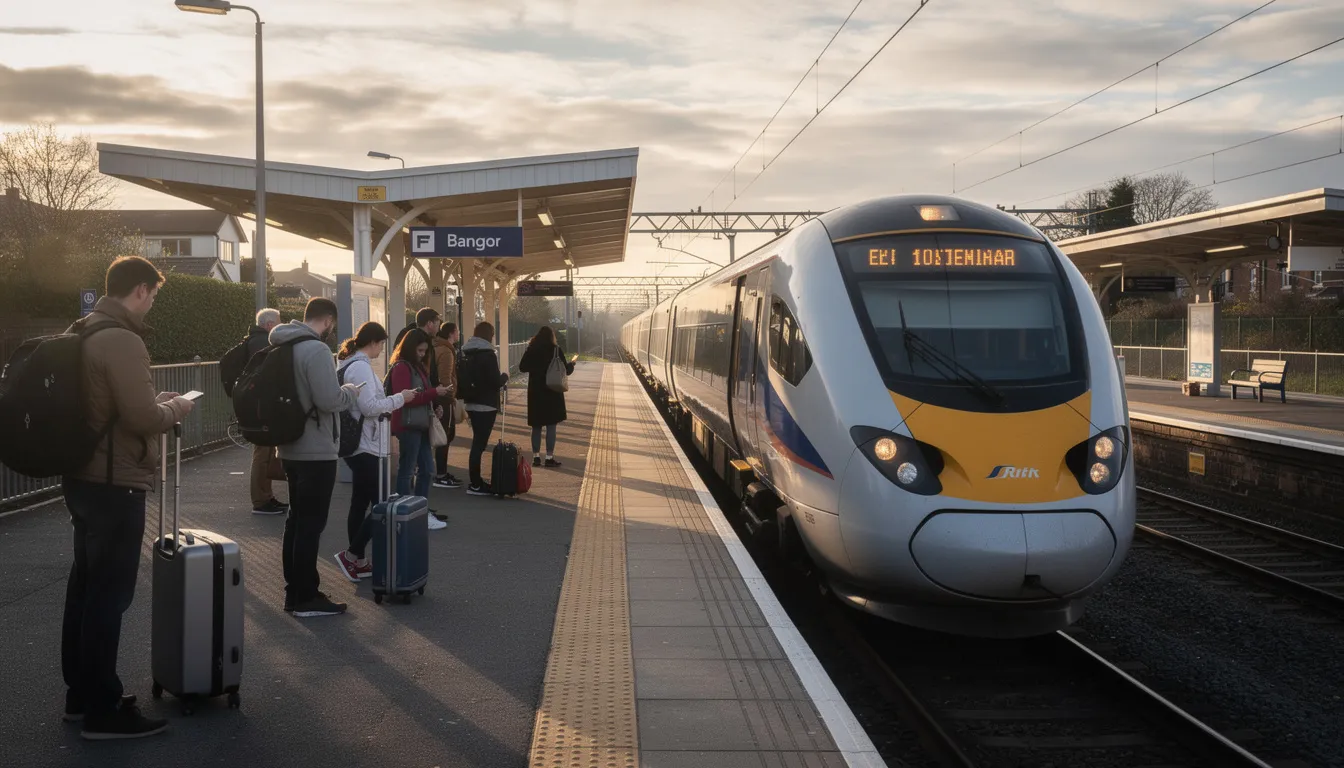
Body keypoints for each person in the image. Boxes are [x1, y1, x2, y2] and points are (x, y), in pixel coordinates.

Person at [61, 256, 196, 740]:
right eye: (154, 295)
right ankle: (103, 709)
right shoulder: (122, 340)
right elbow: (141, 417)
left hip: (81, 477)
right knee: (109, 596)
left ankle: (81, 695)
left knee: (84, 589)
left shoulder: (81, 330)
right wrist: (177, 405)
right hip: (114, 482)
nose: (152, 303)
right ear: (140, 289)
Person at [270, 298, 360, 618]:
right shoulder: (317, 350)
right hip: (316, 449)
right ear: (329, 321)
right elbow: (329, 399)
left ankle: (294, 591)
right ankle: (307, 596)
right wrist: (350, 390)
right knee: (310, 525)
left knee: (296, 522)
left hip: (289, 446)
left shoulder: (281, 344)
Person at [331, 322, 419, 581]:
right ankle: (351, 555)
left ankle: (357, 560)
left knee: (360, 502)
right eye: (381, 344)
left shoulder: (347, 364)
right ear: (374, 342)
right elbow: (369, 407)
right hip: (365, 443)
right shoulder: (359, 367)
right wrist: (401, 398)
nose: (382, 350)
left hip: (356, 443)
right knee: (381, 504)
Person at [387, 329, 451, 523]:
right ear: (410, 348)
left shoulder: (416, 367)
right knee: (408, 469)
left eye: (424, 351)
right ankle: (404, 510)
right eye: (420, 351)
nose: (422, 355)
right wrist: (434, 394)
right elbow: (405, 398)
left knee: (427, 469)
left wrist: (435, 406)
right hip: (408, 426)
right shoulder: (402, 368)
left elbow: (420, 394)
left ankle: (419, 509)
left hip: (419, 423)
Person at [459, 321, 510, 496]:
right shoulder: (488, 355)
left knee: (477, 443)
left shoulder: (466, 352)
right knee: (479, 445)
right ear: (489, 335)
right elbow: (495, 381)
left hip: (471, 402)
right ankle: (475, 484)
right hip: (486, 404)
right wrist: (504, 377)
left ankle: (475, 481)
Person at [247, 307, 289, 515]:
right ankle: (260, 500)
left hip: (257, 407)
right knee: (262, 454)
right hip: (261, 409)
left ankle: (266, 496)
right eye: (279, 322)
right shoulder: (263, 344)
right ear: (270, 325)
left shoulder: (254, 341)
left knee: (265, 453)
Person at [518, 326, 575, 468]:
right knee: (551, 426)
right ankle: (549, 457)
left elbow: (522, 367)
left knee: (536, 426)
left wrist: (535, 367)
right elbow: (566, 371)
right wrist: (572, 364)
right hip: (552, 392)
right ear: (552, 337)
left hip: (535, 393)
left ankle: (536, 457)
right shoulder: (556, 350)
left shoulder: (531, 349)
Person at [432, 322, 463, 489]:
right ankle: (441, 474)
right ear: (452, 333)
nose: (458, 333)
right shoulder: (447, 352)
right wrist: (451, 397)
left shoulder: (436, 347)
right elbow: (446, 378)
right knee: (445, 436)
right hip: (444, 399)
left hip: (438, 396)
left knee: (442, 435)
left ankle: (441, 473)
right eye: (457, 330)